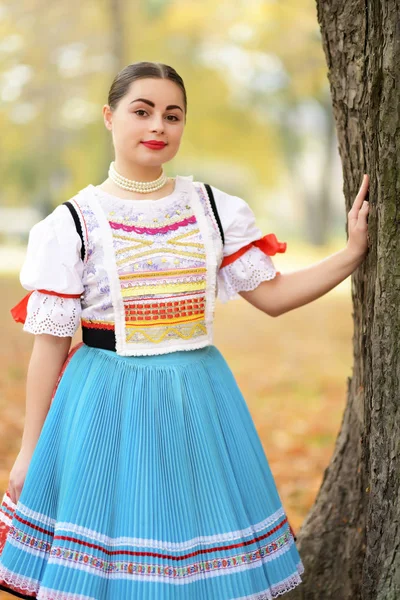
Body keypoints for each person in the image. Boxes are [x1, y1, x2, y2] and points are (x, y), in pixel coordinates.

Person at [0, 61, 369, 600]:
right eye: (142, 111)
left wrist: (352, 254)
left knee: (192, 547)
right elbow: (49, 346)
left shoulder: (213, 209)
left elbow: (273, 296)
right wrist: (28, 450)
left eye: (172, 116)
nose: (158, 126)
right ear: (110, 117)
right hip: (105, 402)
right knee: (116, 546)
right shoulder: (72, 224)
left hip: (198, 398)